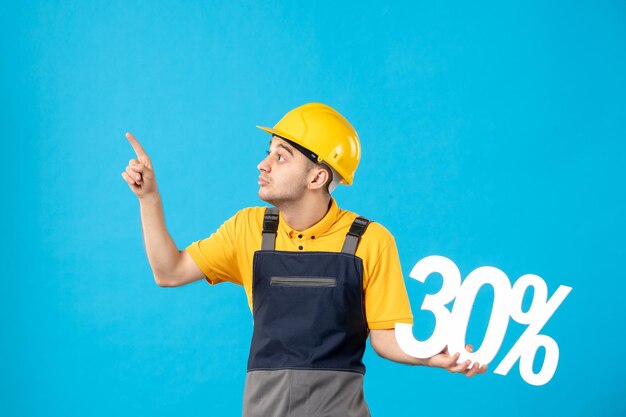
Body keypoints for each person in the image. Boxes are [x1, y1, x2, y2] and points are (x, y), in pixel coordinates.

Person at [121, 103, 487, 417]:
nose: (263, 165)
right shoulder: (248, 229)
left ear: (317, 176)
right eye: (268, 152)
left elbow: (386, 339)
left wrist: (431, 353)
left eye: (280, 157)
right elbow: (168, 272)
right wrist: (148, 198)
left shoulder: (369, 241)